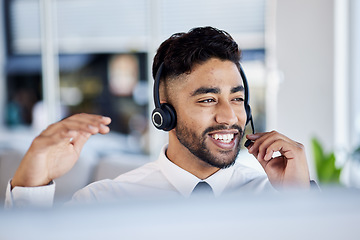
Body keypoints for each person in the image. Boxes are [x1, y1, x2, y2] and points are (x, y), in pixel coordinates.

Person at [5, 27, 311, 208]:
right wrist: (32, 182)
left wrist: (301, 200)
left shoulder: (278, 197)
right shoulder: (105, 202)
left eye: (238, 98)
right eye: (208, 99)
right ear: (164, 112)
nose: (230, 116)